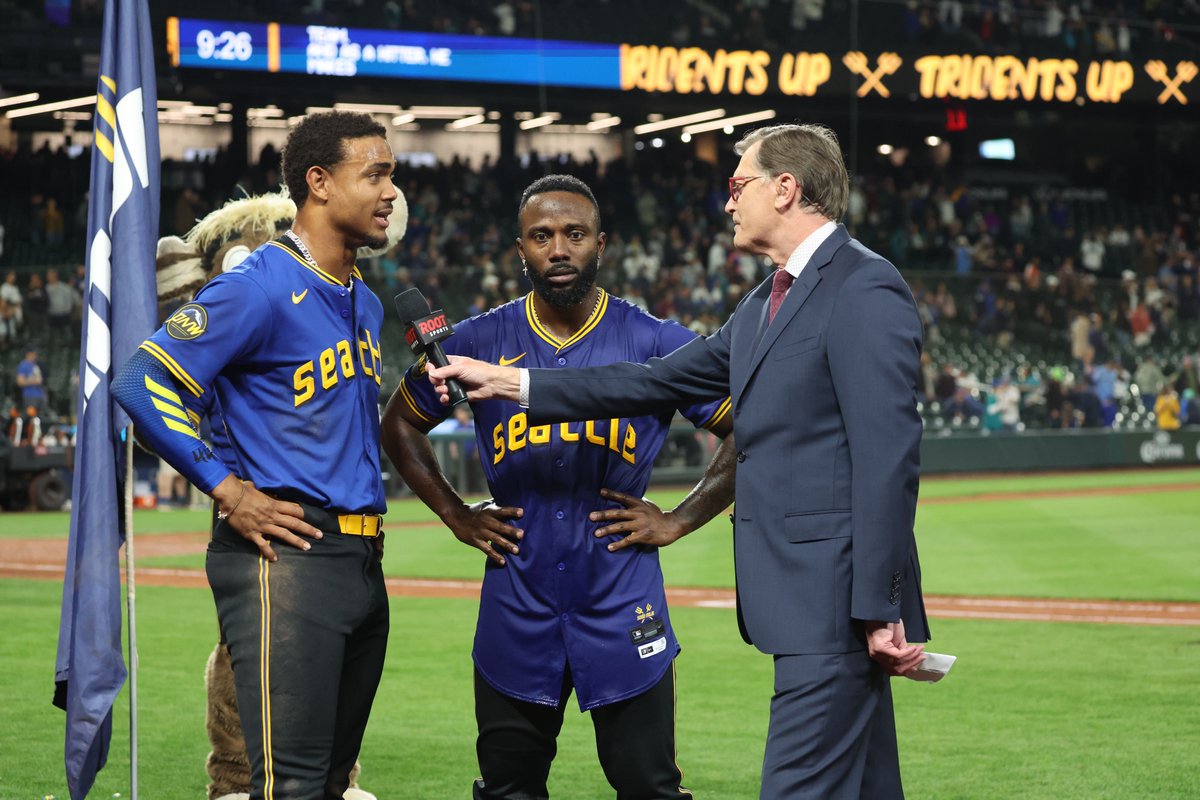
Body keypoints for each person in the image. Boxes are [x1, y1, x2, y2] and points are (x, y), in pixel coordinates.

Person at [427, 124, 930, 799]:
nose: (728, 202)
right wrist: (511, 382)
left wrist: (882, 603)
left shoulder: (863, 286)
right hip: (802, 603)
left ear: (785, 189)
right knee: (869, 786)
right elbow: (650, 381)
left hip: (835, 605)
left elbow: (888, 457)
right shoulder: (765, 303)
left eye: (739, 185)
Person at [383, 174, 736, 800]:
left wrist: (680, 518)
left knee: (650, 787)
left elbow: (747, 429)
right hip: (517, 601)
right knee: (507, 789)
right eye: (541, 236)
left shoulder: (655, 341)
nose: (559, 249)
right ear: (520, 249)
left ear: (602, 243)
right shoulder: (475, 341)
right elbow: (399, 425)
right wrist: (457, 514)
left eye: (575, 234)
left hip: (622, 599)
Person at [113, 110, 396, 799]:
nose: (391, 192)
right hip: (288, 558)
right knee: (286, 786)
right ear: (319, 183)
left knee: (331, 784)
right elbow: (140, 382)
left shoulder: (365, 302)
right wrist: (227, 489)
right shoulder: (258, 284)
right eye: (376, 175)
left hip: (363, 558)